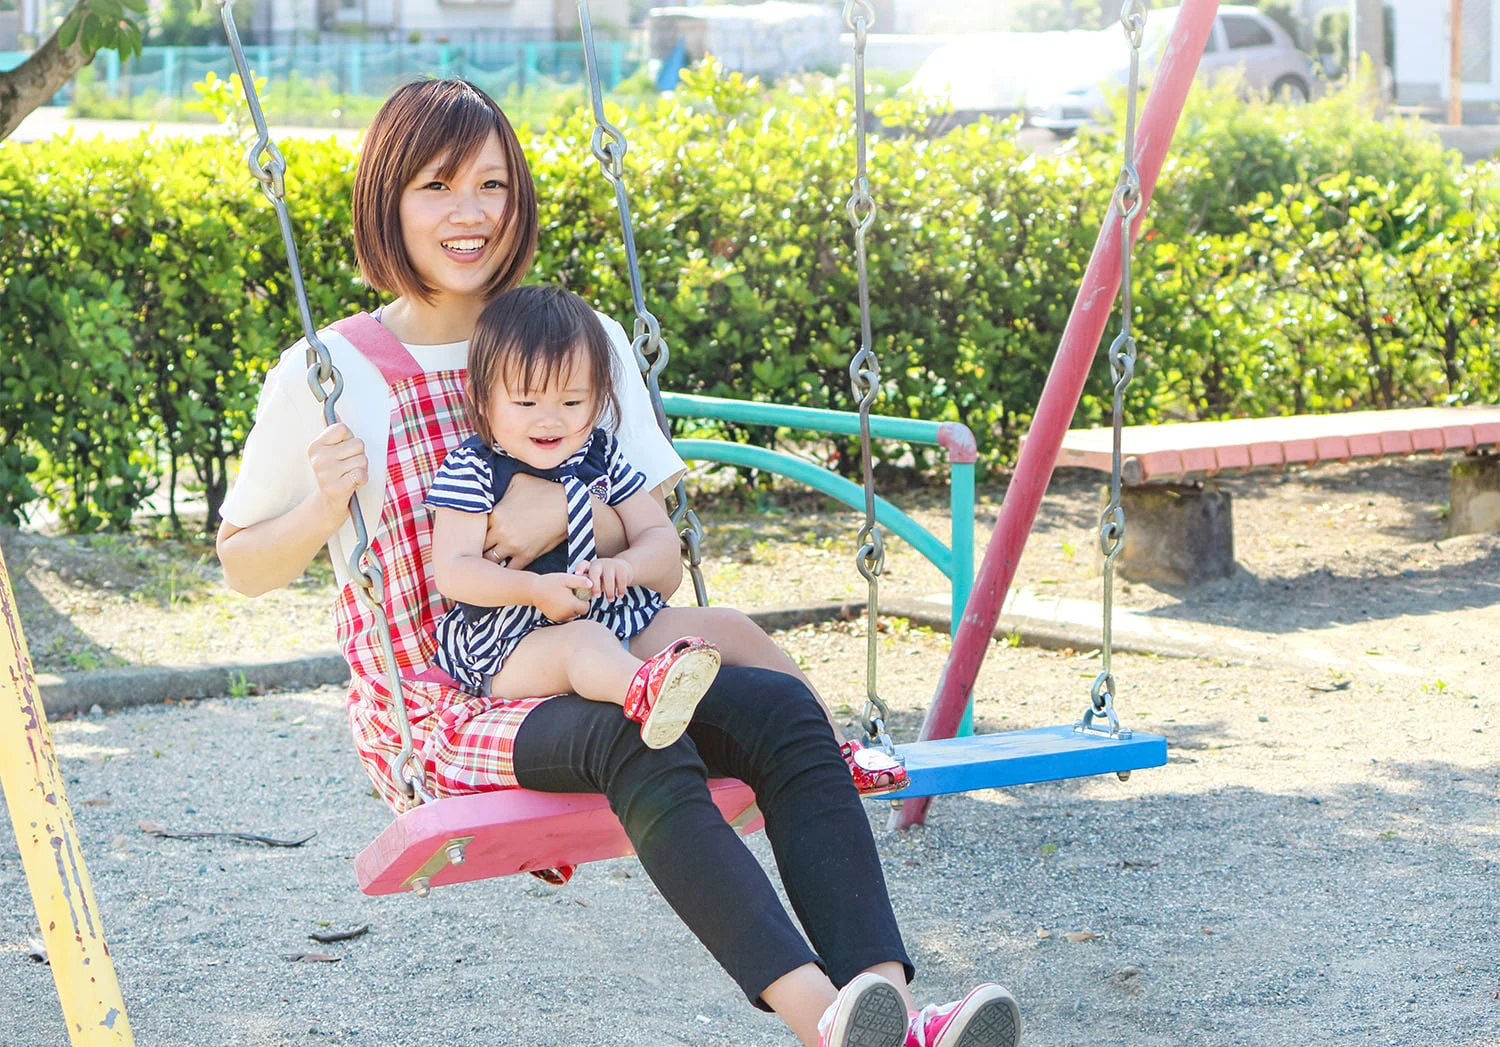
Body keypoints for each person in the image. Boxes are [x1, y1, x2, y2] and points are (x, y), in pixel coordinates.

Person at [215, 77, 1020, 1047]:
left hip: (612, 654)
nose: (469, 214)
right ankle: (827, 1023)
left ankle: (889, 1004)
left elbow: (648, 540)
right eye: (435, 187)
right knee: (637, 733)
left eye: (493, 187)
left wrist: (554, 506)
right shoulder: (332, 375)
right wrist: (322, 505)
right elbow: (244, 568)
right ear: (387, 201)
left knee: (782, 710)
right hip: (457, 703)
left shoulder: (578, 339)